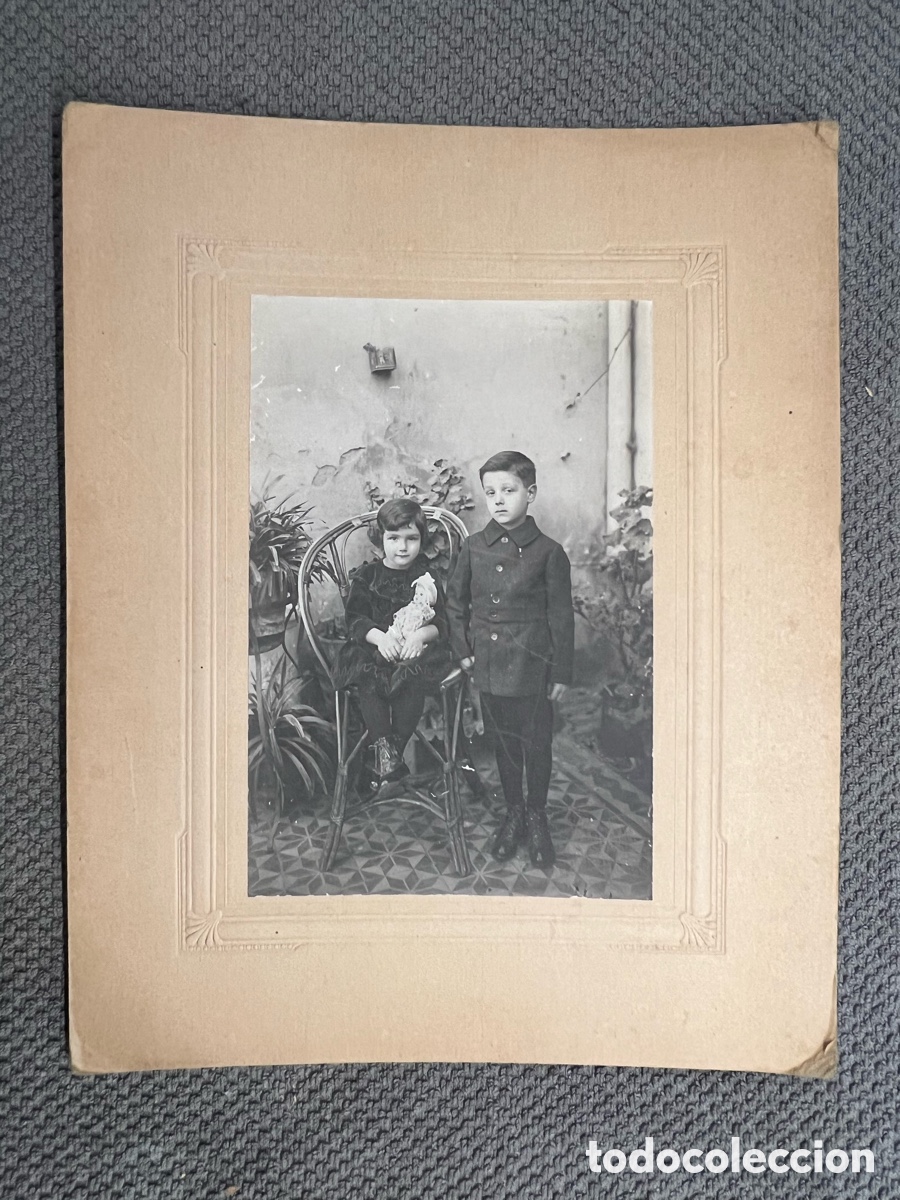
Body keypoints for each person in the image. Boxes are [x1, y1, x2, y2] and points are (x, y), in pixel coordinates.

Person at [446, 451, 574, 868]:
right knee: (503, 746)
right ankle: (514, 811)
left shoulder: (548, 553)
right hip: (490, 666)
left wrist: (561, 672)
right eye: (490, 493)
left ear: (530, 493)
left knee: (536, 745)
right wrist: (464, 654)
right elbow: (454, 606)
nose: (498, 500)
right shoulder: (473, 548)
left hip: (532, 666)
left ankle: (536, 814)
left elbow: (561, 616)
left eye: (509, 490)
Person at [332, 498, 453, 791]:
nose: (402, 547)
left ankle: (387, 760)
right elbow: (356, 620)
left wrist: (422, 635)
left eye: (411, 539)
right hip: (376, 650)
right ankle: (388, 759)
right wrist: (381, 637)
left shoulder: (427, 578)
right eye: (394, 538)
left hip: (414, 654)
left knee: (412, 678)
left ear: (422, 541)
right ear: (381, 539)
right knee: (366, 675)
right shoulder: (368, 576)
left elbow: (444, 622)